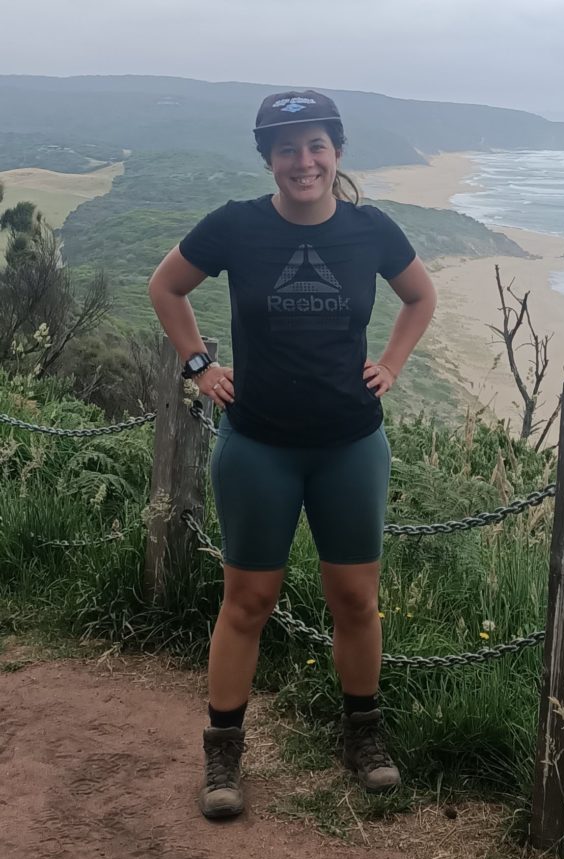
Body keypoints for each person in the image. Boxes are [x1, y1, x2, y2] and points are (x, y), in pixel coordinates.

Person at [148, 89, 436, 820]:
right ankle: (223, 755)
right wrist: (198, 366)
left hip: (349, 444)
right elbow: (166, 286)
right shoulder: (237, 228)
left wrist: (392, 366)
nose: (301, 162)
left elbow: (419, 297)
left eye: (315, 146)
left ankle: (362, 737)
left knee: (355, 601)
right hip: (258, 446)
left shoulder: (370, 230)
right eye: (286, 148)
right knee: (246, 602)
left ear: (336, 153)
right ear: (268, 158)